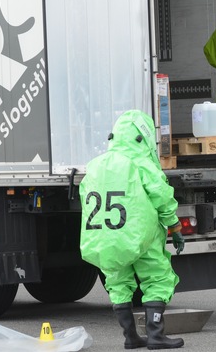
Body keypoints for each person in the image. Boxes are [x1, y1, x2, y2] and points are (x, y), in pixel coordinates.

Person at [79, 110, 185, 349]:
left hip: (107, 237)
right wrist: (175, 226)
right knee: (157, 278)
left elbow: (84, 196)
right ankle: (156, 335)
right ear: (144, 138)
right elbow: (162, 197)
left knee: (117, 282)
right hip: (141, 237)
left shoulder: (96, 165)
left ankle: (130, 336)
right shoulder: (142, 165)